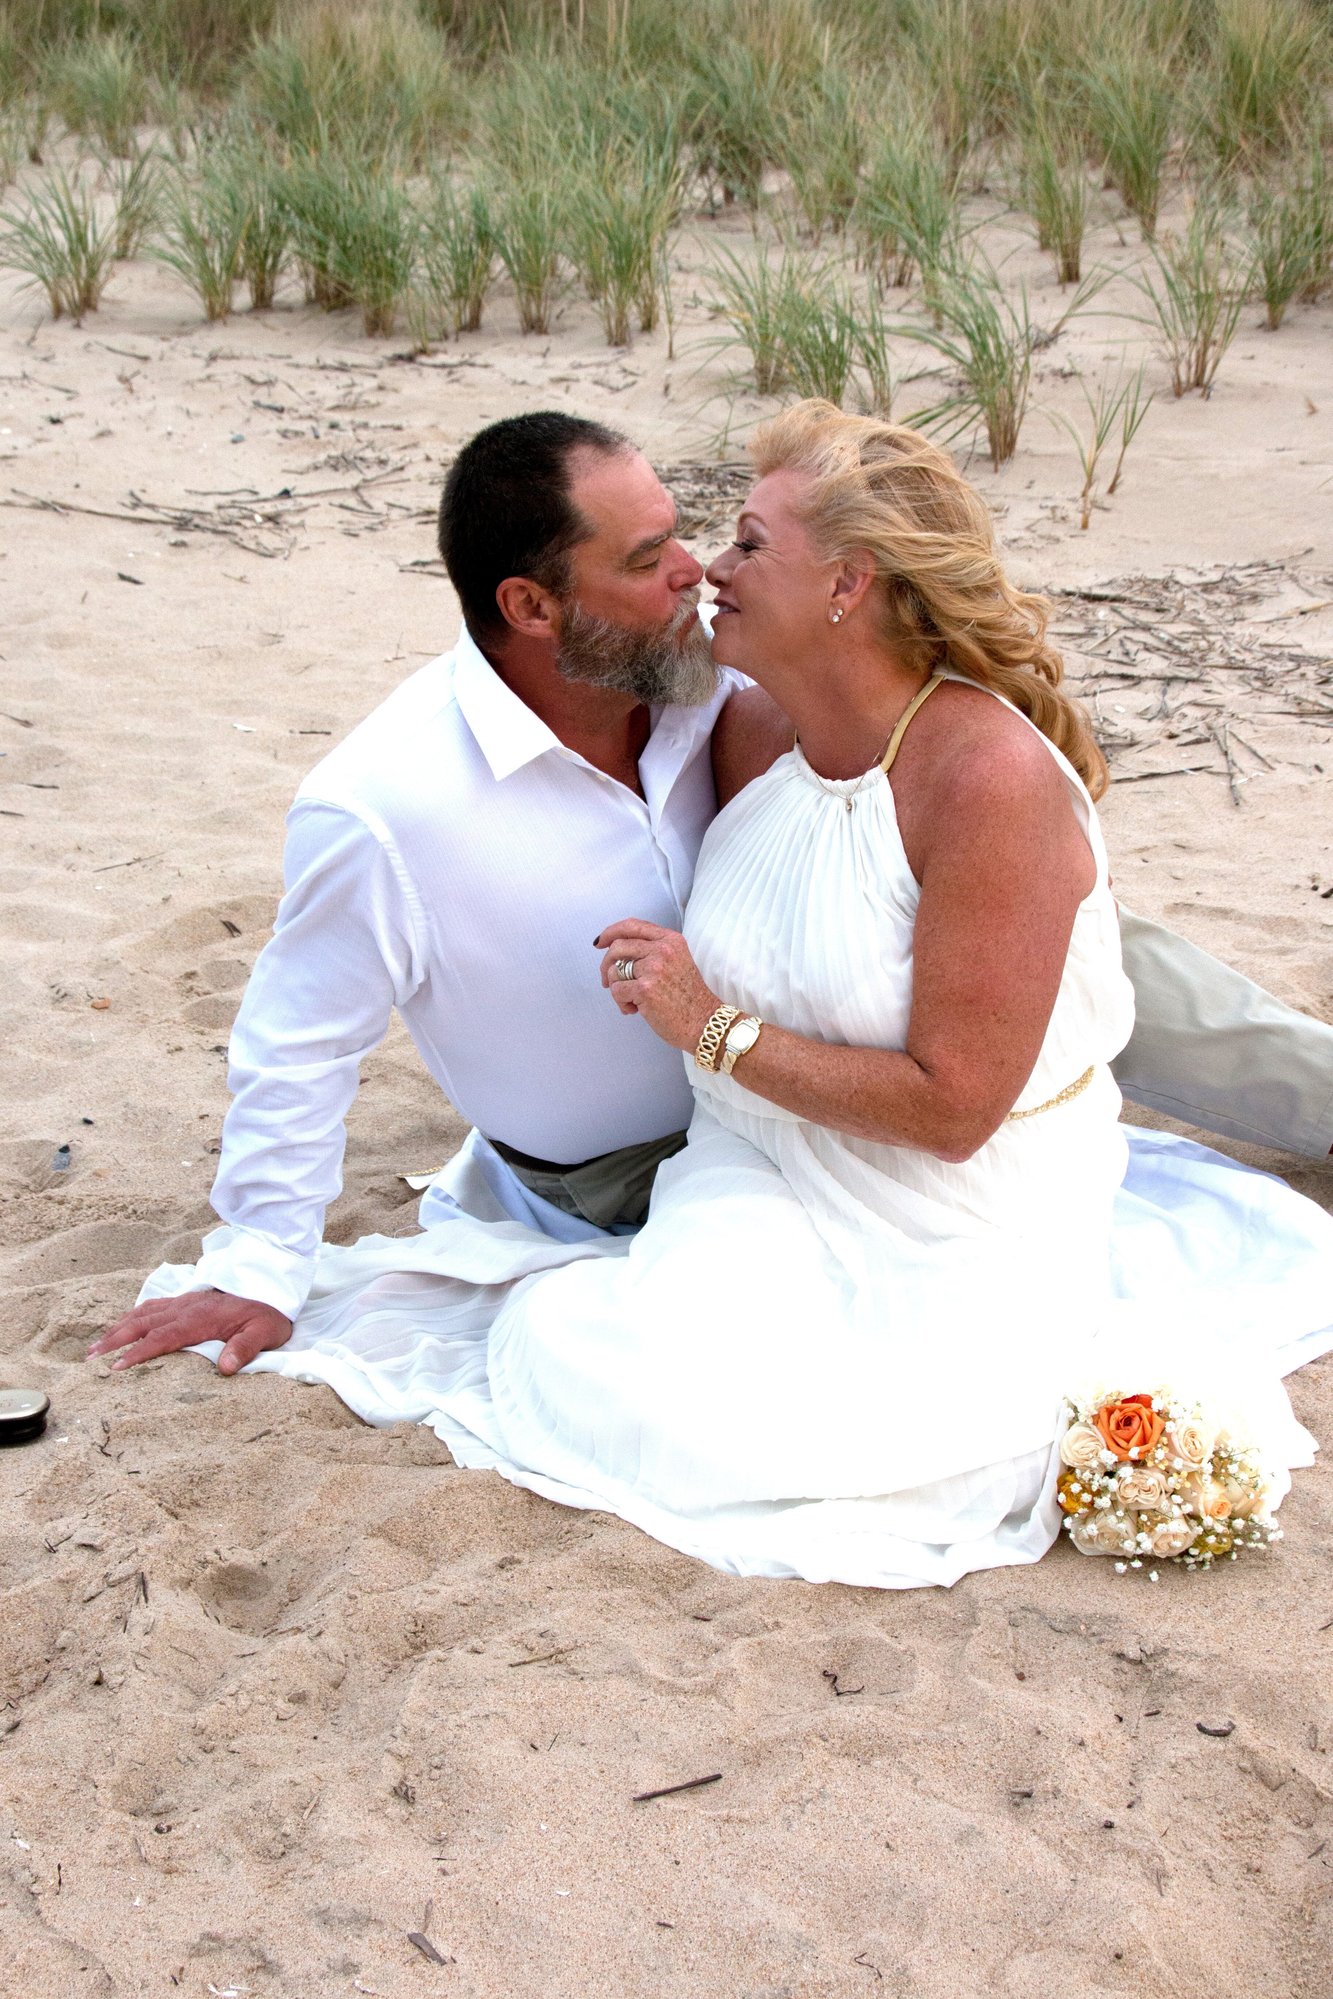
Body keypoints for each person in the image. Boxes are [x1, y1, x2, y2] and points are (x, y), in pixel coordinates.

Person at [117, 403, 1331, 1591]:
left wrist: (720, 1015)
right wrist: (264, 1258)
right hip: (684, 1156)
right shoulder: (390, 806)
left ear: (848, 583)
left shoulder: (712, 690)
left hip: (884, 1080)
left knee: (1103, 960)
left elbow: (950, 995)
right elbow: (294, 1042)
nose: (698, 568)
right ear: (533, 607)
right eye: (652, 559)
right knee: (674, 1376)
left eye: (721, 537)